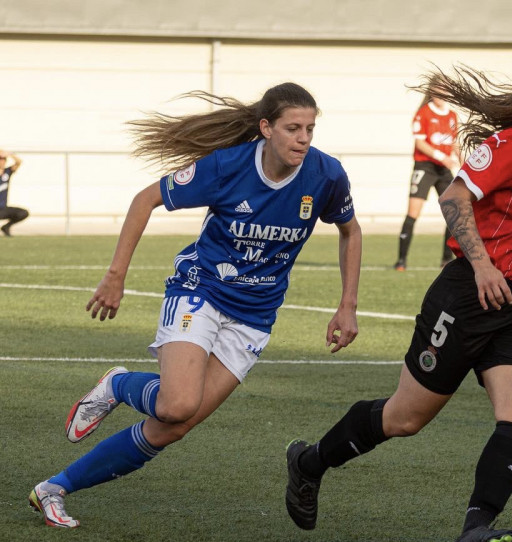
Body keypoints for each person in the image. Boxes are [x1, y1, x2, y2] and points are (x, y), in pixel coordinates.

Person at [285, 44, 512, 542]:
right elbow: (455, 196)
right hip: (468, 294)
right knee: (404, 419)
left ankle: (476, 529)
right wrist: (484, 266)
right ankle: (310, 462)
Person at [28, 82, 362, 528]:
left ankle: (53, 489)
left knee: (174, 426)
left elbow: (350, 231)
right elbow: (145, 199)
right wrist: (115, 275)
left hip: (255, 316)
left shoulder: (326, 175)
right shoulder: (226, 166)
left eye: (310, 129)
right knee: (175, 405)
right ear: (266, 128)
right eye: (292, 128)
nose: (303, 138)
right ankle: (120, 385)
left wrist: (348, 306)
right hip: (199, 290)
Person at [394, 82, 462, 271]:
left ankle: (446, 260)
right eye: (439, 93)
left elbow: (455, 143)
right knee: (413, 213)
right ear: (432, 94)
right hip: (425, 166)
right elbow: (420, 143)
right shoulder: (423, 113)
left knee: (454, 212)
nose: (443, 97)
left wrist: (465, 163)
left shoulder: (452, 116)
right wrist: (442, 157)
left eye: (446, 92)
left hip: (444, 170)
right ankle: (401, 260)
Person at [0, 150, 28, 236]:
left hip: (2, 209)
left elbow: (19, 162)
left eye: (4, 159)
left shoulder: (7, 172)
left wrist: (9, 154)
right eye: (0, 159)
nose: (2, 161)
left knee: (23, 213)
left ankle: (6, 227)